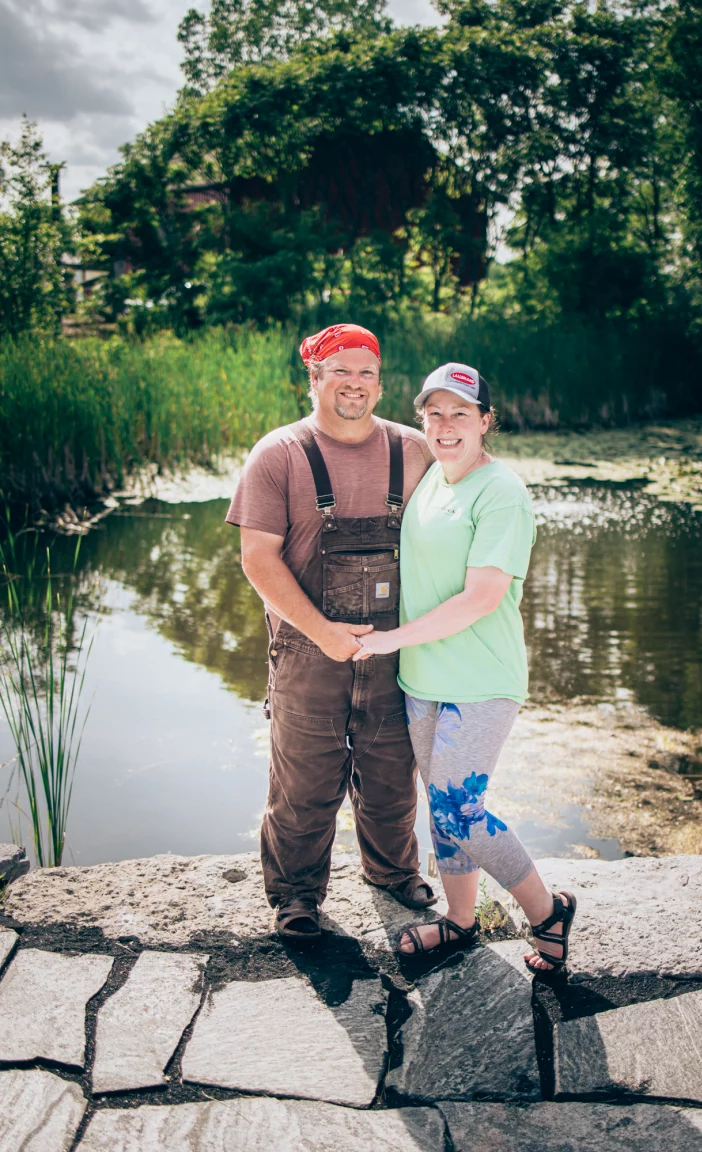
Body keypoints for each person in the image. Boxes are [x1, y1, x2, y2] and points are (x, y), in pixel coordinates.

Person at [354, 362, 577, 971]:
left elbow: (482, 598)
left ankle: (548, 912)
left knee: (462, 808)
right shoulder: (431, 478)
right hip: (424, 678)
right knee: (440, 805)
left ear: (485, 421)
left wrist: (389, 638)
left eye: (460, 413)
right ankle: (459, 920)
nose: (445, 424)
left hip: (479, 681)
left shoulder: (501, 490)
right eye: (434, 412)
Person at [226, 323, 437, 941]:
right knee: (304, 782)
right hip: (305, 649)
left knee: (393, 773)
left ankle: (393, 871)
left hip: (395, 648)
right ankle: (295, 896)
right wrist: (321, 632)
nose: (354, 384)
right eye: (339, 371)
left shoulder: (412, 450)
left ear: (380, 381)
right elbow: (257, 559)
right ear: (314, 378)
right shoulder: (278, 454)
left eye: (366, 372)